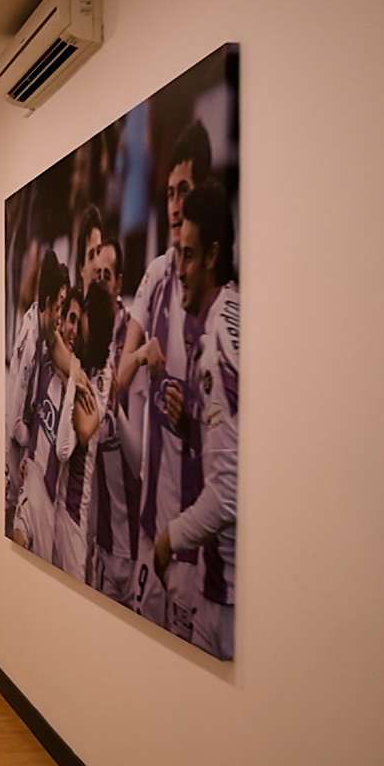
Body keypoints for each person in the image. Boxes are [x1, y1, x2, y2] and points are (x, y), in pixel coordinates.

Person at [116, 121, 211, 633]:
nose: (175, 206)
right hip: (152, 519)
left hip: (196, 535)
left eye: (186, 193)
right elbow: (118, 375)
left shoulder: (223, 295)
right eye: (171, 193)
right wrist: (143, 356)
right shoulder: (156, 276)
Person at [154, 180, 239, 658]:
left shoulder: (216, 346)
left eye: (187, 256)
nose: (179, 270)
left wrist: (169, 539)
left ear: (211, 255)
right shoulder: (232, 318)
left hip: (224, 592)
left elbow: (228, 493)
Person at [52, 283, 114, 583]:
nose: (78, 326)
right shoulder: (80, 360)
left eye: (85, 316)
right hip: (54, 497)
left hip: (76, 510)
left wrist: (75, 375)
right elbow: (53, 343)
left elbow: (86, 428)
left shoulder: (104, 372)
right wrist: (74, 370)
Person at [7, 250, 66, 539]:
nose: (61, 318)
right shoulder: (31, 343)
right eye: (60, 307)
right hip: (12, 462)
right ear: (47, 304)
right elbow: (16, 419)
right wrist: (30, 438)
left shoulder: (36, 328)